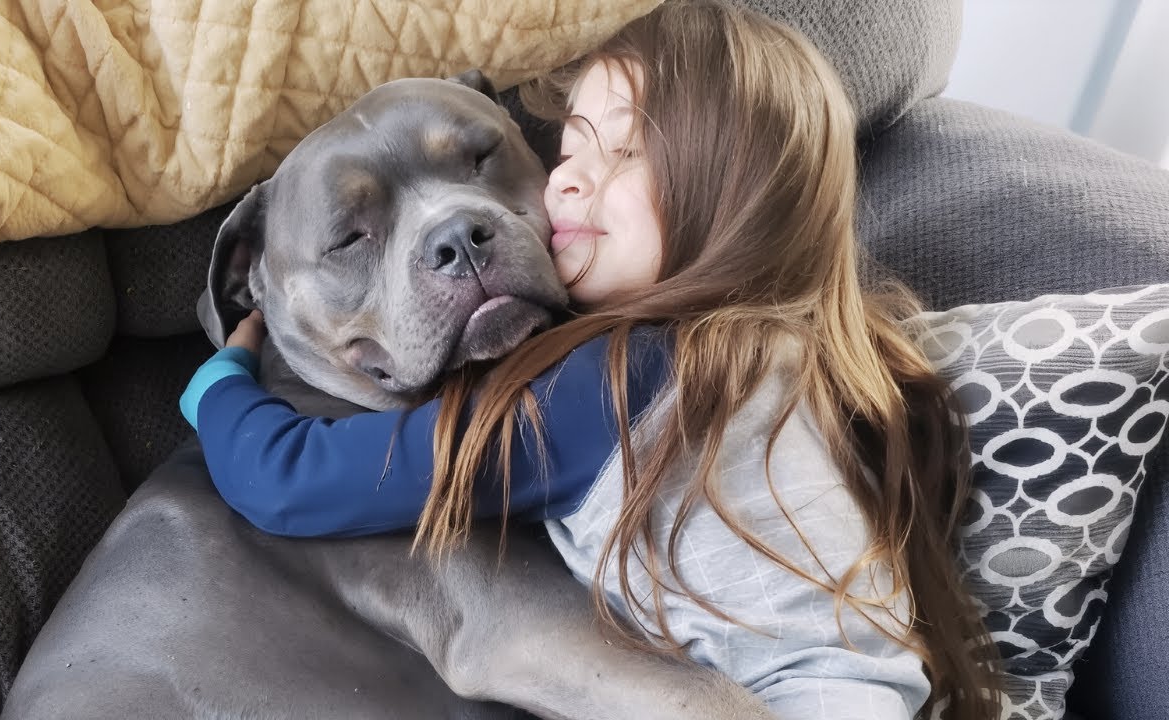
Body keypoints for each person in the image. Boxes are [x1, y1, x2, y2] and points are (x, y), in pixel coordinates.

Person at [178, 1, 1002, 717]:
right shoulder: (779, 344)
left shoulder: (608, 387)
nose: (458, 231)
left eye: (622, 153)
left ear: (730, 203)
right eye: (571, 149)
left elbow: (286, 476)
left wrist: (217, 382)